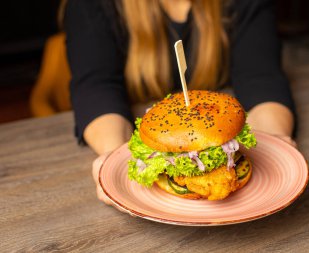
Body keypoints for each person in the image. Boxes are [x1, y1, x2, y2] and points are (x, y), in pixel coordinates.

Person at [64, 0, 296, 206]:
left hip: (220, 125)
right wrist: (113, 156)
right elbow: (96, 87)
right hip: (151, 132)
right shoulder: (92, 5)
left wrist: (276, 142)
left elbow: (261, 77)